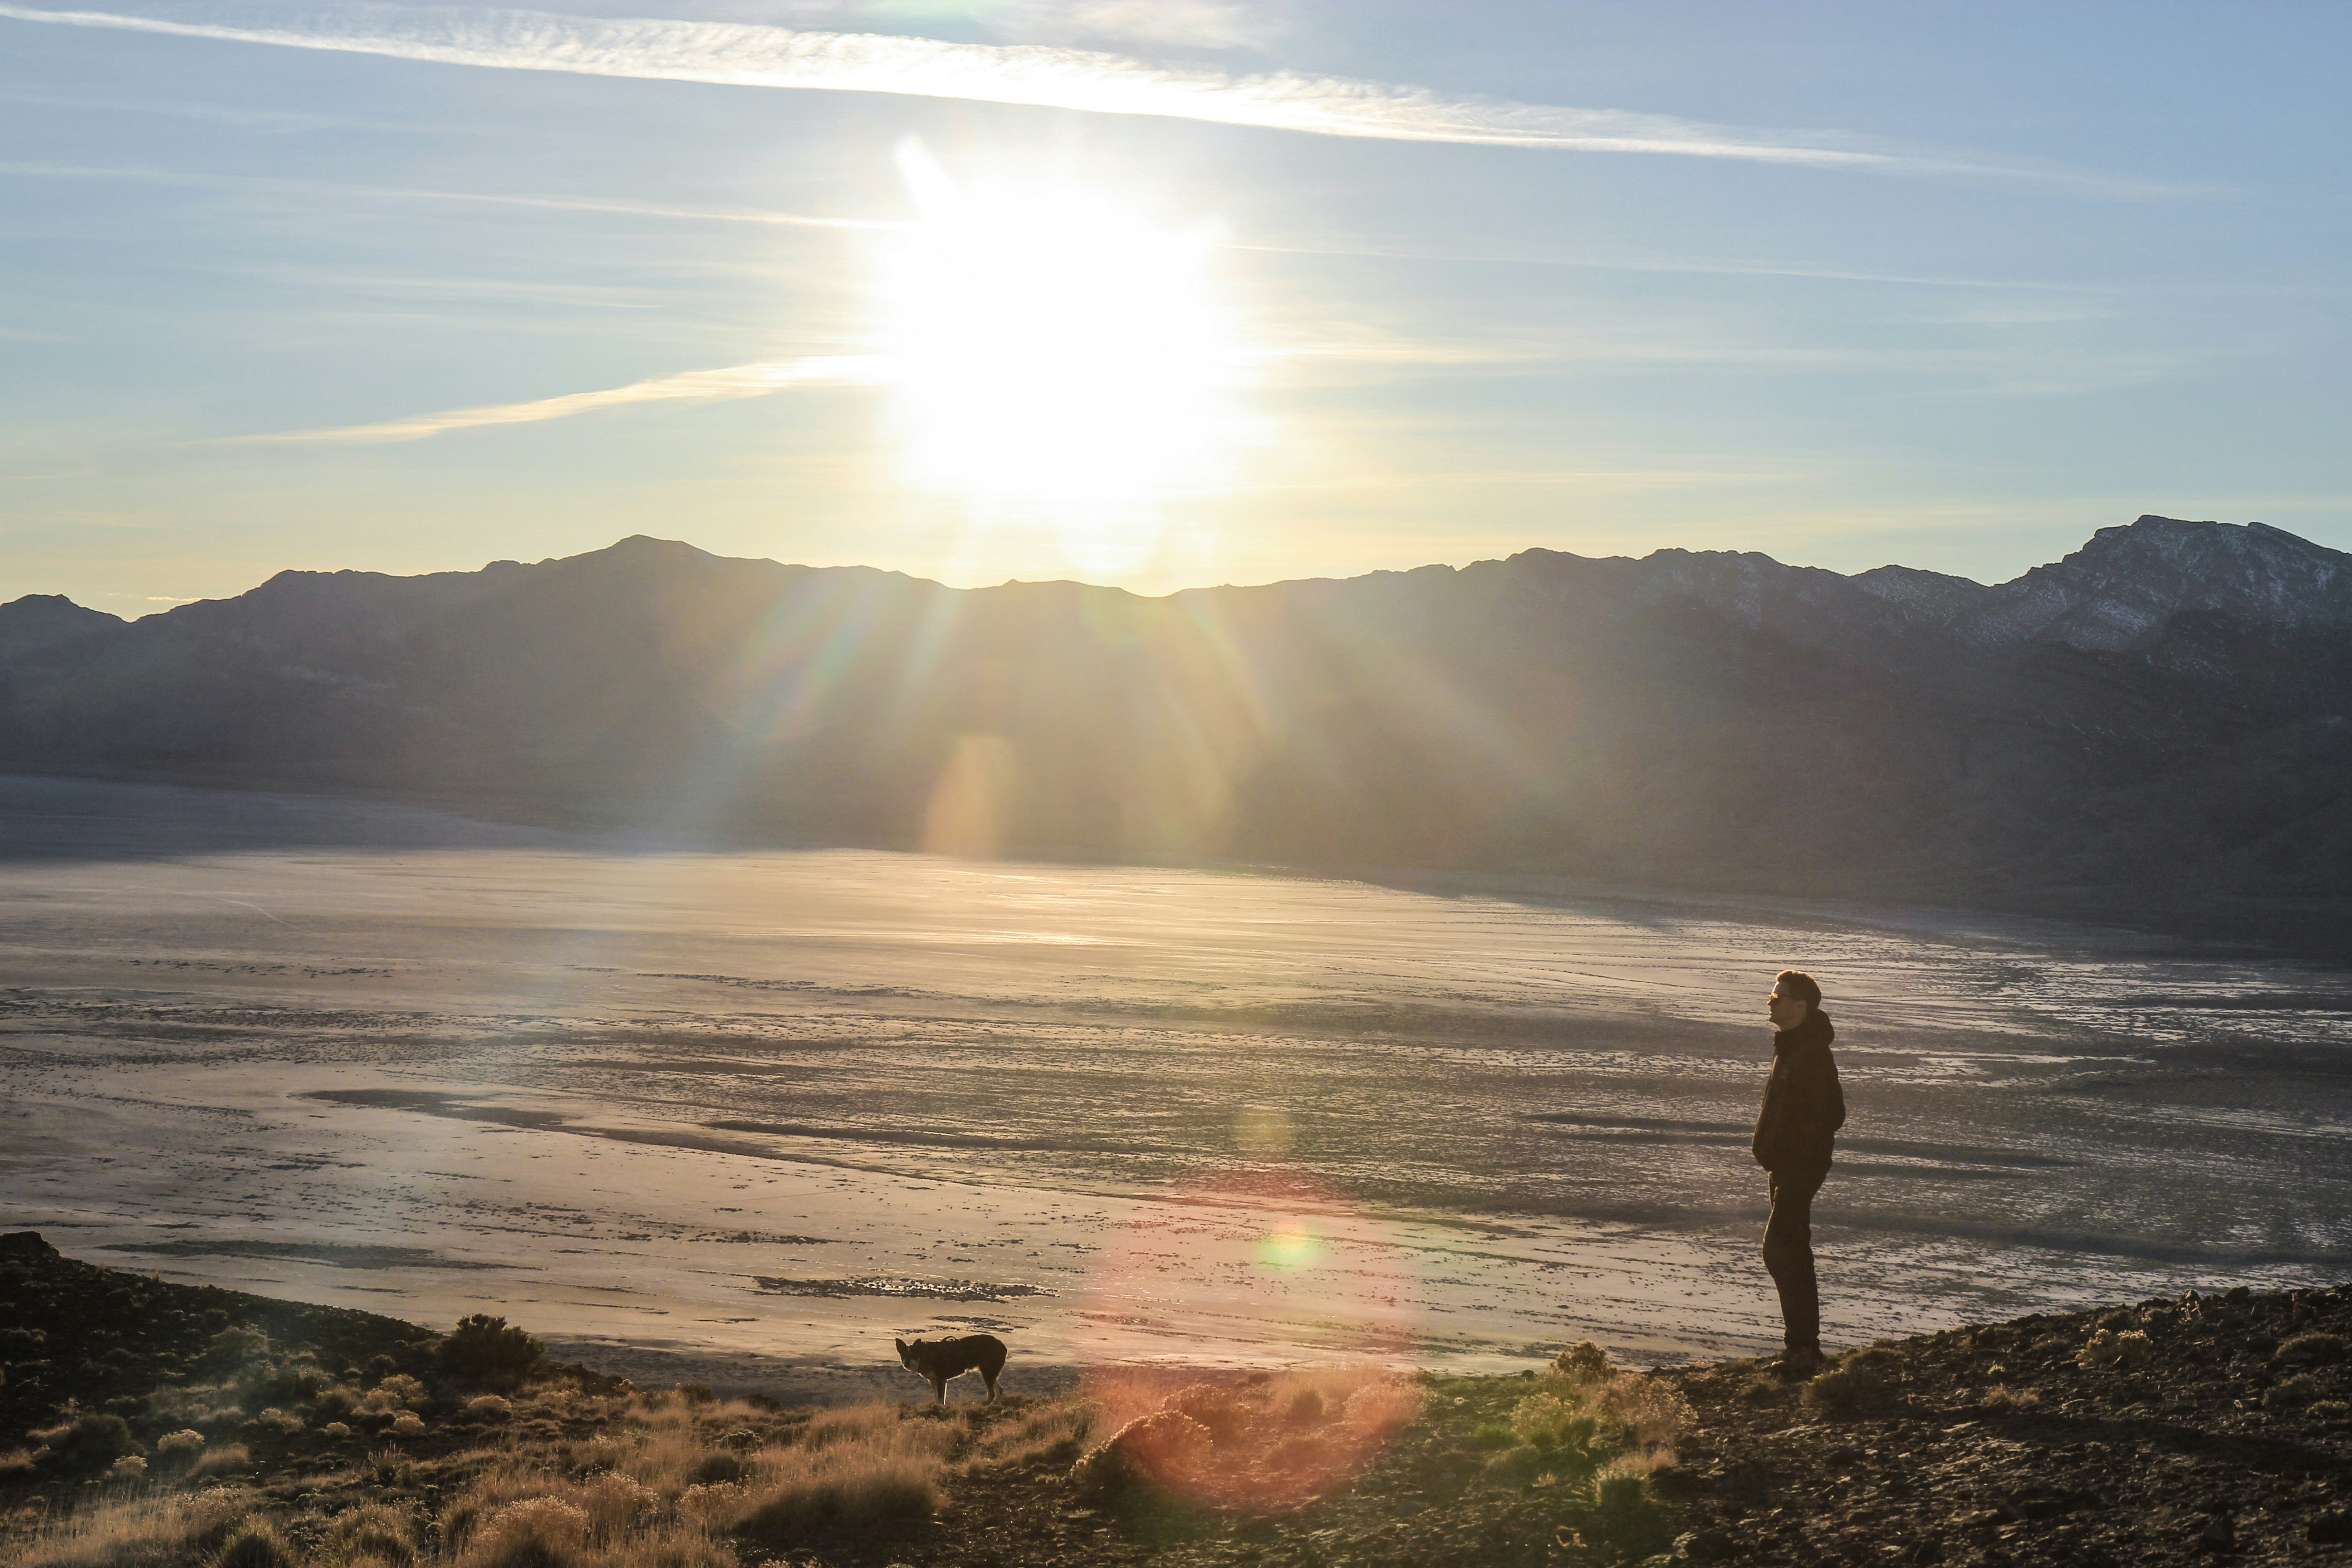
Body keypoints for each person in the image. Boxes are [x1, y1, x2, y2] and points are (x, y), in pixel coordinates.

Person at [1752, 968, 1844, 1377]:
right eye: (1772, 996)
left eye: (1779, 997)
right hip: (1785, 1166)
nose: (1771, 1002)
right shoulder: (1790, 1047)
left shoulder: (1812, 1055)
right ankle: (1803, 1349)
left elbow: (1833, 1114)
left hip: (1798, 1167)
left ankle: (1803, 1348)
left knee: (1780, 1249)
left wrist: (1794, 1150)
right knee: (1793, 1251)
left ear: (1801, 1006)